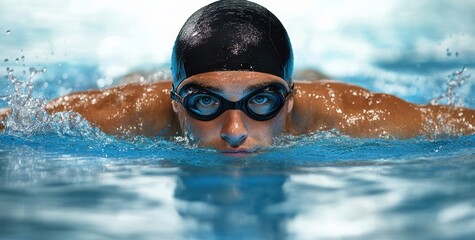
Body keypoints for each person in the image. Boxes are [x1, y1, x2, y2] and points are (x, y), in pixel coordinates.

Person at [1, 0, 474, 154]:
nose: (233, 131)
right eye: (205, 103)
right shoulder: (122, 115)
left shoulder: (351, 116)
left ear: (288, 101)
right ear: (174, 102)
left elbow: (458, 122)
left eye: (261, 101)